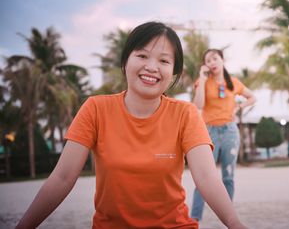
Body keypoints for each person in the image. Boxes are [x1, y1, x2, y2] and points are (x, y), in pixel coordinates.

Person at [16, 22, 247, 229]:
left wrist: (234, 223)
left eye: (164, 60)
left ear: (173, 71)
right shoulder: (95, 109)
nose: (152, 67)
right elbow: (62, 178)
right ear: (125, 61)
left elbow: (207, 178)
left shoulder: (185, 114)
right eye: (142, 56)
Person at [191, 49, 256, 221]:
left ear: (222, 60)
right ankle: (194, 219)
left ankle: (228, 219)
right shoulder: (202, 81)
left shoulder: (233, 82)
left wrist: (238, 107)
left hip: (230, 132)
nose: (212, 63)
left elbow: (252, 97)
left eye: (215, 59)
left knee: (228, 176)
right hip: (209, 131)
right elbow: (198, 104)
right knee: (203, 177)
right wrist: (203, 79)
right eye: (208, 60)